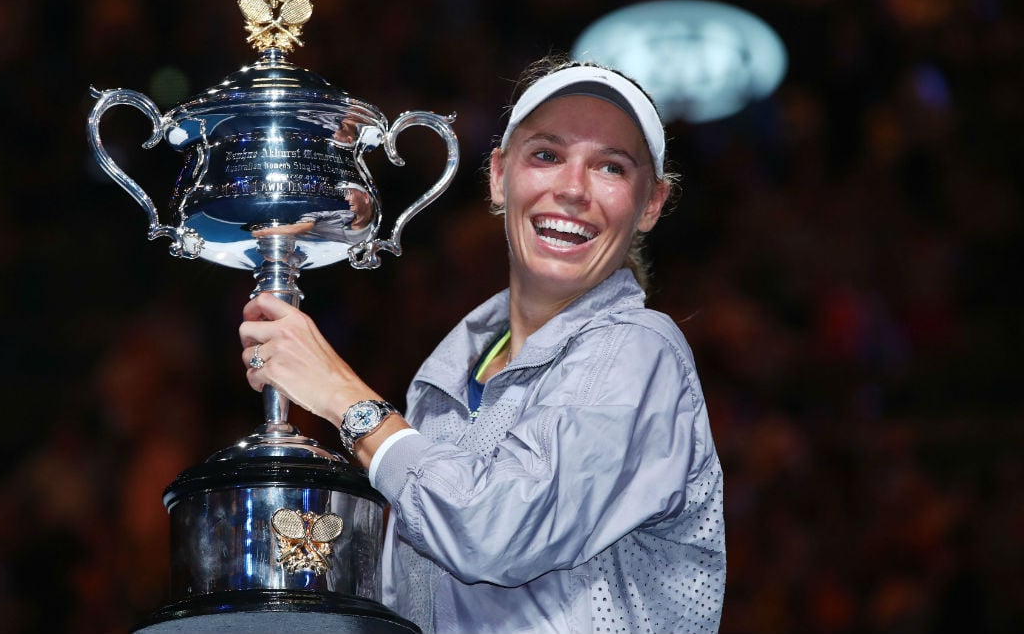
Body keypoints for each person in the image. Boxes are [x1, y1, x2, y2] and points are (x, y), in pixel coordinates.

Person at [239, 55, 726, 634]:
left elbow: (494, 531)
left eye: (611, 167)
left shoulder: (643, 351)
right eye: (546, 155)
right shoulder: (440, 386)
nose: (572, 188)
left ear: (650, 204)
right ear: (499, 176)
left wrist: (346, 401)